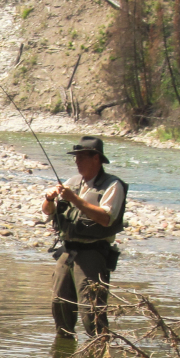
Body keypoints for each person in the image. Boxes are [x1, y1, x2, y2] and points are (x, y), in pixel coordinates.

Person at [42, 135, 127, 338]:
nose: (76, 162)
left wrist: (75, 199)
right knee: (59, 305)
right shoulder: (72, 183)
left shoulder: (113, 185)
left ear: (96, 159)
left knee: (92, 312)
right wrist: (49, 198)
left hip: (93, 254)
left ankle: (99, 355)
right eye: (76, 157)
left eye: (81, 157)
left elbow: (106, 219)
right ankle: (63, 355)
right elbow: (47, 212)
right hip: (67, 252)